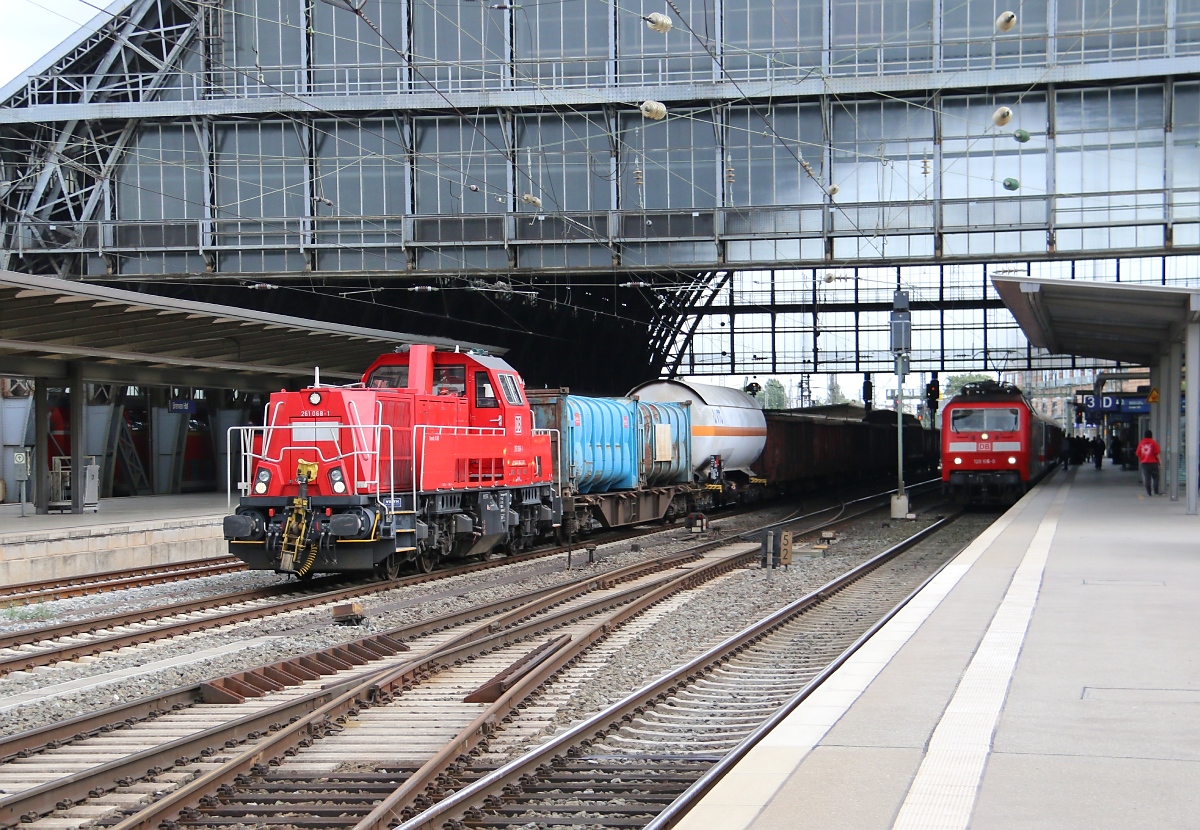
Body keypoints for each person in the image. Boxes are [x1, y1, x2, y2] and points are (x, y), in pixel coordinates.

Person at [1135, 430, 1161, 496]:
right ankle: (1156, 492)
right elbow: (1157, 453)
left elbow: (1138, 453)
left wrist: (1141, 461)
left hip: (1144, 463)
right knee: (1156, 477)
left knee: (1147, 478)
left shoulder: (1141, 443)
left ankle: (1149, 493)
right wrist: (1160, 462)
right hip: (1153, 463)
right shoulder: (1154, 443)